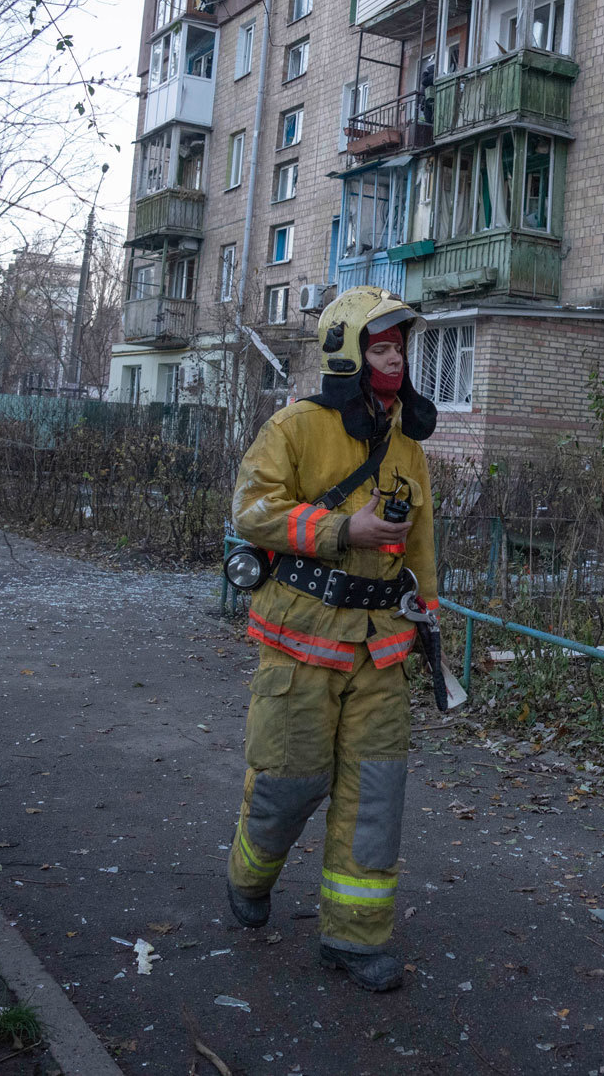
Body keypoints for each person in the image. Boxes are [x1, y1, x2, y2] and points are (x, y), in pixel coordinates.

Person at [224, 285, 442, 993]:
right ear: (347, 353)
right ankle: (247, 872)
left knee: (376, 794)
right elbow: (253, 510)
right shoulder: (294, 427)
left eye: (400, 348)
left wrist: (427, 620)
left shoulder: (409, 446)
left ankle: (354, 936)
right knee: (288, 785)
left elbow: (425, 547)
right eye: (381, 347)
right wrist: (340, 529)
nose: (394, 359)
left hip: (381, 649)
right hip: (300, 639)